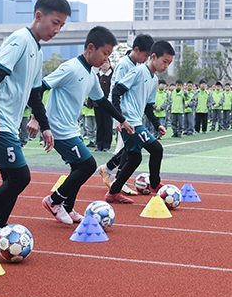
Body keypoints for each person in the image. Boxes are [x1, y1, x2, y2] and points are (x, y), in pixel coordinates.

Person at [0, 0, 70, 246]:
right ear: (39, 16)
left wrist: (45, 126)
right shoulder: (20, 40)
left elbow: (35, 94)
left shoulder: (37, 49)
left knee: (11, 179)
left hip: (8, 124)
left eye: (62, 26)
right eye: (55, 23)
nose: (57, 29)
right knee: (20, 177)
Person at [36, 26, 133, 223]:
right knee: (88, 165)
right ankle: (54, 201)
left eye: (109, 55)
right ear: (90, 47)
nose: (106, 58)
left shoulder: (90, 75)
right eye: (104, 53)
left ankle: (68, 208)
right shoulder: (70, 68)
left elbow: (103, 101)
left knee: (77, 167)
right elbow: (40, 88)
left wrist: (121, 119)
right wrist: (36, 119)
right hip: (58, 128)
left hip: (71, 128)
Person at [105, 40, 176, 203]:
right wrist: (121, 119)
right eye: (164, 61)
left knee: (135, 158)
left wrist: (157, 124)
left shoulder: (154, 79)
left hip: (136, 122)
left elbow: (148, 107)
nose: (166, 66)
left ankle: (113, 193)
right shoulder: (138, 72)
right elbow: (116, 91)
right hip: (130, 122)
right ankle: (155, 184)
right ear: (153, 56)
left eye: (169, 63)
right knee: (156, 149)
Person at [98, 34, 153, 188]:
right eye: (146, 55)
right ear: (136, 49)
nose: (146, 59)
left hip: (132, 115)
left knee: (130, 148)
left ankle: (109, 170)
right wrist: (118, 117)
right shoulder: (124, 65)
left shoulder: (136, 66)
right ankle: (117, 179)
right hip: (122, 114)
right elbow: (116, 91)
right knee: (128, 148)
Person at [94, 59, 114, 152]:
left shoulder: (112, 76)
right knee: (99, 125)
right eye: (102, 62)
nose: (104, 65)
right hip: (97, 104)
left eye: (106, 62)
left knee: (107, 125)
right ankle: (99, 144)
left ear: (110, 64)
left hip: (108, 104)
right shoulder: (96, 75)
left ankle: (106, 145)